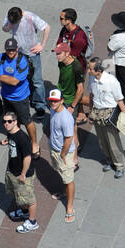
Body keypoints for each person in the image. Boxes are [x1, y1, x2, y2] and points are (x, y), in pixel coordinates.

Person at [84, 56, 125, 177]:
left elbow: (119, 99)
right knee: (102, 141)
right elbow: (92, 96)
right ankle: (109, 160)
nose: (88, 71)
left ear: (99, 71)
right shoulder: (92, 79)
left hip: (109, 114)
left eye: (91, 69)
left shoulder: (111, 81)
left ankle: (120, 164)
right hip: (97, 113)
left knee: (113, 141)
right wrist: (90, 112)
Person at [3, 5, 50, 114]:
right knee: (22, 76)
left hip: (32, 53)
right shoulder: (11, 16)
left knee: (37, 80)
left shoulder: (30, 17)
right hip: (19, 53)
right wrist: (9, 25)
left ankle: (40, 105)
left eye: (15, 22)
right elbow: (5, 29)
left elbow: (47, 27)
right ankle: (28, 97)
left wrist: (42, 45)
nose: (14, 24)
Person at [0, 39, 38, 157]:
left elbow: (14, 81)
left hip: (20, 97)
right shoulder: (2, 57)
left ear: (17, 49)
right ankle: (13, 137)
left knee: (27, 121)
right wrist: (2, 77)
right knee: (10, 119)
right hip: (6, 95)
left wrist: (1, 77)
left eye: (13, 49)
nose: (10, 52)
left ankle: (34, 143)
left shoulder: (22, 61)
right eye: (8, 49)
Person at [1, 109, 38, 232]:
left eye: (9, 121)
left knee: (29, 199)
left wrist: (23, 174)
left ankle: (32, 221)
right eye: (4, 121)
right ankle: (24, 211)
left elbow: (27, 157)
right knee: (19, 196)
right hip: (13, 170)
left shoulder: (22, 138)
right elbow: (13, 144)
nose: (6, 124)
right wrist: (6, 142)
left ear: (15, 122)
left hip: (23, 174)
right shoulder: (11, 133)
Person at [48, 88, 76, 222]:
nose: (53, 103)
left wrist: (63, 155)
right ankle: (64, 192)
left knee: (69, 179)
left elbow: (69, 138)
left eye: (56, 101)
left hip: (63, 152)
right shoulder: (53, 110)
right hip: (54, 149)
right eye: (51, 101)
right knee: (62, 174)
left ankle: (70, 207)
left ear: (62, 101)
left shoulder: (66, 118)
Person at [54, 40, 85, 158]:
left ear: (67, 53)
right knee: (70, 128)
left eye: (59, 53)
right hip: (62, 98)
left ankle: (75, 158)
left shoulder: (76, 67)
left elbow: (80, 89)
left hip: (70, 101)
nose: (56, 56)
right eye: (56, 53)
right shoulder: (61, 63)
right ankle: (76, 147)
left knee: (71, 130)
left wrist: (72, 106)